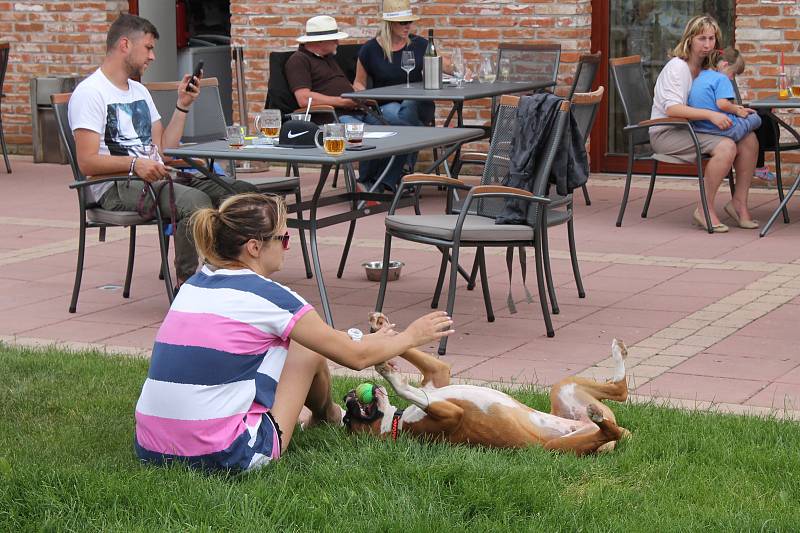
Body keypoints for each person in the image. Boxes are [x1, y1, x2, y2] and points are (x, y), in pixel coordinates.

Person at [133, 192, 454, 472]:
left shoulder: (193, 285)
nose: (288, 246)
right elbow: (355, 357)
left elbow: (327, 336)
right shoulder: (270, 297)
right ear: (255, 247)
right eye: (283, 239)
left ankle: (323, 415)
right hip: (226, 455)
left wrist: (365, 338)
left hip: (150, 446)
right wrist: (412, 335)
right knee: (305, 347)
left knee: (299, 340)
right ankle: (328, 415)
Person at [69, 14, 255, 289]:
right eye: (148, 47)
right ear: (124, 45)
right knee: (194, 203)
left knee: (242, 194)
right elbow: (87, 162)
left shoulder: (140, 91)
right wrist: (135, 165)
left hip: (156, 176)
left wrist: (182, 105)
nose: (153, 56)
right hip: (117, 185)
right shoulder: (90, 93)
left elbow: (164, 150)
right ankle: (188, 287)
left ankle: (233, 273)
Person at [649, 15, 759, 233]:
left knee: (749, 139)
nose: (708, 45)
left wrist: (736, 110)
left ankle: (738, 202)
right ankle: (704, 208)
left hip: (695, 128)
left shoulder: (709, 68)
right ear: (689, 39)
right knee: (726, 146)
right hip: (668, 132)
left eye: (711, 39)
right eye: (702, 39)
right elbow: (673, 109)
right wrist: (711, 115)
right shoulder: (677, 68)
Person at [285, 15, 410, 191]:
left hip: (356, 110)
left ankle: (383, 182)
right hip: (330, 118)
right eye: (334, 39)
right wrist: (341, 102)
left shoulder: (327, 58)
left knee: (402, 132)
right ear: (320, 41)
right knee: (365, 136)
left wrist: (358, 95)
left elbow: (340, 86)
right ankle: (367, 182)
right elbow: (304, 98)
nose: (338, 42)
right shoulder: (299, 60)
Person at [352, 0, 435, 190]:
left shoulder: (420, 45)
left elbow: (444, 65)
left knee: (408, 104)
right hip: (386, 105)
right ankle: (403, 170)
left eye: (409, 22)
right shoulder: (370, 49)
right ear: (389, 24)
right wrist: (360, 92)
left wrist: (457, 69)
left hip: (419, 105)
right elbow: (358, 81)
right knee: (394, 114)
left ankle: (380, 181)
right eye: (402, 23)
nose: (407, 27)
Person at [688, 47, 762, 143]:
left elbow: (712, 103)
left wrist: (737, 108)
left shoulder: (701, 75)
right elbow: (722, 104)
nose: (732, 78)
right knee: (756, 118)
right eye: (733, 73)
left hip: (699, 128)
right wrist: (737, 111)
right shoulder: (722, 78)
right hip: (723, 128)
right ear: (725, 65)